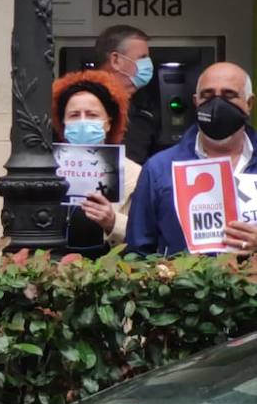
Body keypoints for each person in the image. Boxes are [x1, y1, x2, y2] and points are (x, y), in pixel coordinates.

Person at [126, 62, 257, 257]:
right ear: (196, 102)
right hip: (184, 286)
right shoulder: (159, 169)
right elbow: (138, 252)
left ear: (249, 103)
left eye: (229, 95)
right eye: (207, 95)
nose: (217, 104)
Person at [50, 70, 141, 258]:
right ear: (63, 123)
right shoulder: (47, 169)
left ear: (108, 122)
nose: (83, 121)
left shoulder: (133, 174)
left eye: (92, 115)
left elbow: (146, 235)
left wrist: (113, 222)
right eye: (74, 115)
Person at [94, 24, 163, 164]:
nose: (148, 64)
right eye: (142, 58)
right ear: (116, 61)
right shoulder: (82, 103)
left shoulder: (145, 108)